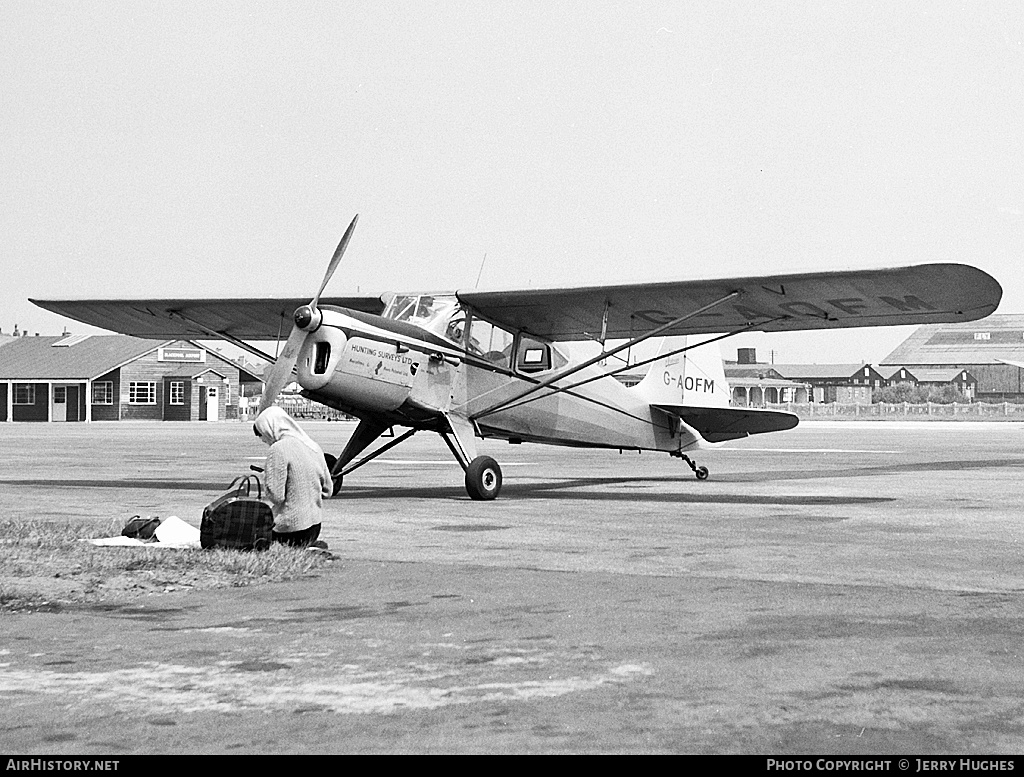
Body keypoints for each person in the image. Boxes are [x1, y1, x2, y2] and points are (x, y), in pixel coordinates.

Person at [253, 406, 333, 548]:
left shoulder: (278, 449)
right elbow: (328, 490)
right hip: (314, 527)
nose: (263, 440)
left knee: (247, 532)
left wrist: (268, 478)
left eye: (261, 435)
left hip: (290, 530)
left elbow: (276, 497)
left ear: (269, 428)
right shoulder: (313, 446)